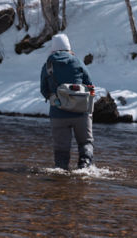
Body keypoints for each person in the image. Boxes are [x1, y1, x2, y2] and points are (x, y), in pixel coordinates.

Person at [39, 33, 94, 170]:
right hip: (81, 113)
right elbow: (90, 85)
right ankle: (85, 168)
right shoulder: (78, 62)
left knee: (61, 150)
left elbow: (44, 90)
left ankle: (61, 175)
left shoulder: (48, 66)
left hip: (58, 114)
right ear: (68, 47)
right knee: (85, 143)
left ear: (53, 48)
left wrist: (55, 99)